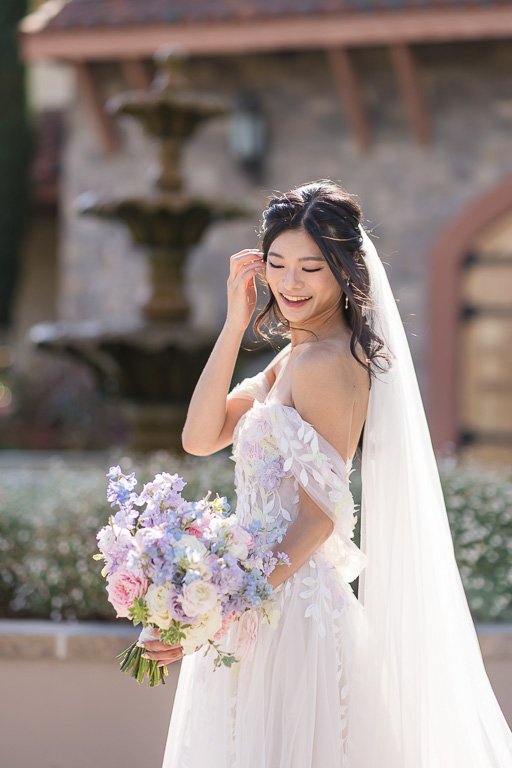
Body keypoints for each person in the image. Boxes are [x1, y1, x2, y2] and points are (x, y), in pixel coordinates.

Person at [139, 180, 512, 768]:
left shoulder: (321, 363)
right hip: (261, 601)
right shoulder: (294, 355)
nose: (290, 283)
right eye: (278, 264)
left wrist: (222, 607)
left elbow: (319, 517)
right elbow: (200, 436)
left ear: (342, 269)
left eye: (311, 267)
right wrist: (234, 325)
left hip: (290, 615)